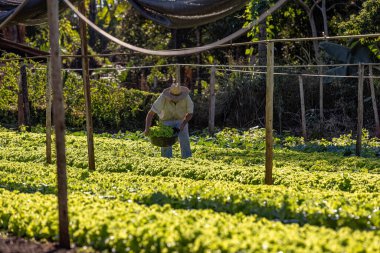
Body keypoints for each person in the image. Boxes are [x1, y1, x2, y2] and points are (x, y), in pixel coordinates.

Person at [144, 82, 194, 158]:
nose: (176, 99)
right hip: (165, 121)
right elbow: (150, 114)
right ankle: (166, 160)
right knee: (165, 142)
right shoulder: (163, 98)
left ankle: (187, 158)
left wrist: (183, 123)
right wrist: (147, 129)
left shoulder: (186, 97)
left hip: (181, 120)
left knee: (185, 140)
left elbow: (190, 113)